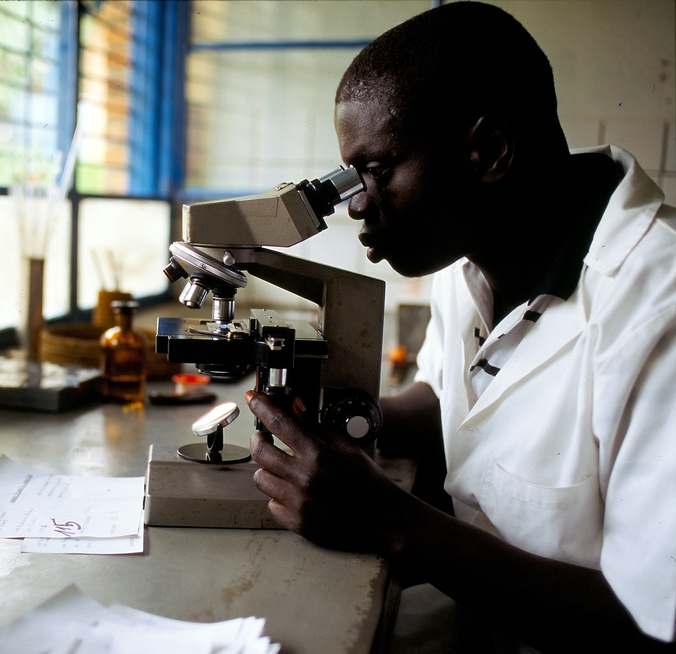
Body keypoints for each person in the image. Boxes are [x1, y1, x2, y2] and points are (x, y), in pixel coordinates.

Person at [244, 3, 676, 652]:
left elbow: (653, 631)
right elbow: (450, 398)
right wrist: (352, 421)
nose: (357, 203)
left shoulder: (656, 307)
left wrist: (391, 523)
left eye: (378, 171)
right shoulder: (471, 255)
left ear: (489, 152)